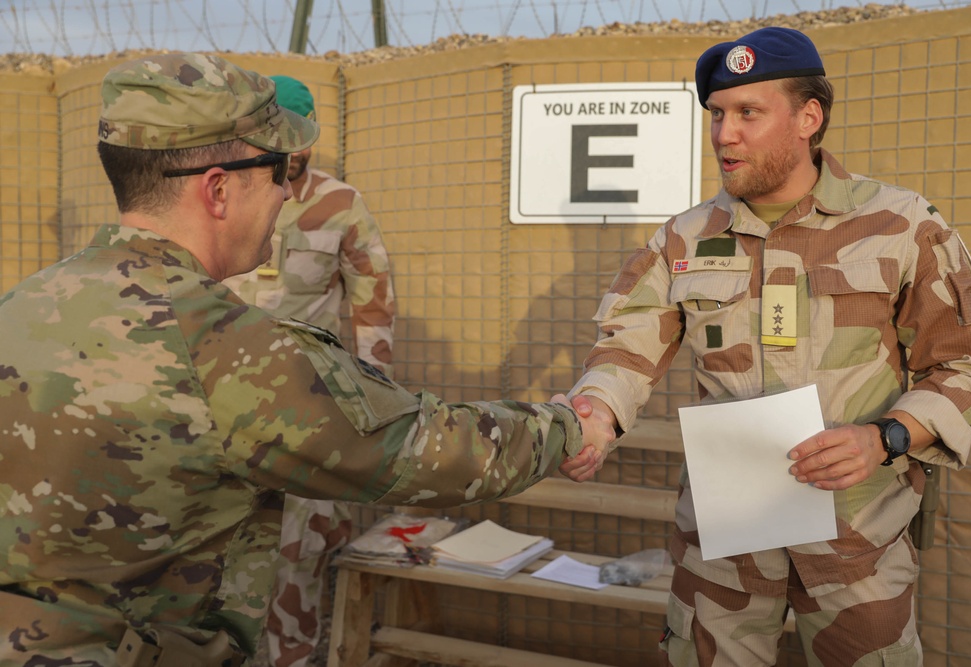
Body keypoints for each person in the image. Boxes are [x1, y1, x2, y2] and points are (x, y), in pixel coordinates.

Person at [0, 52, 616, 666]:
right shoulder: (219, 345)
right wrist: (566, 428)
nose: (289, 191)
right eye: (276, 172)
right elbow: (416, 451)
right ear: (218, 189)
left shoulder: (22, 307)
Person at [559, 27, 971, 666]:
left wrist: (886, 437)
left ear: (808, 117)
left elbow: (967, 366)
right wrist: (594, 415)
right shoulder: (683, 240)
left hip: (859, 545)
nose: (723, 134)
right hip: (723, 551)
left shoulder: (903, 225)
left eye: (748, 113)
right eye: (716, 115)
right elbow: (625, 348)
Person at [222, 74, 395, 667]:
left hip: (309, 411)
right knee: (222, 550)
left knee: (299, 553)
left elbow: (374, 301)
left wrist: (369, 399)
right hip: (224, 410)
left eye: (298, 142)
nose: (289, 155)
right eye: (277, 141)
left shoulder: (340, 205)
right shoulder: (226, 198)